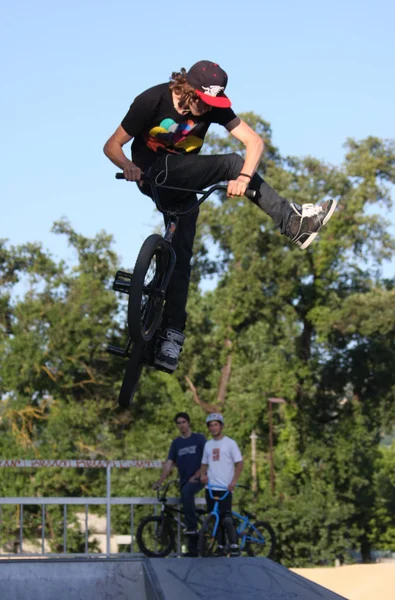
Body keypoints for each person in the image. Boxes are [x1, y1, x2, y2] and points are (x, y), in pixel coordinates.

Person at [104, 60, 337, 372]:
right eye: (204, 102)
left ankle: (169, 339)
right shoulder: (151, 100)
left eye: (214, 103)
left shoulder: (213, 107)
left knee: (180, 256)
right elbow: (112, 145)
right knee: (230, 162)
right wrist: (127, 165)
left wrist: (245, 178)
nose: (208, 109)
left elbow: (254, 141)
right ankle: (293, 222)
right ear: (189, 90)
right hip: (154, 174)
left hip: (184, 185)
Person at [153, 412, 206, 557]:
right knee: (185, 501)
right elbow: (169, 463)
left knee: (187, 494)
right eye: (179, 423)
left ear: (189, 423)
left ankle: (192, 527)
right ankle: (193, 549)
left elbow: (207, 459)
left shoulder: (199, 439)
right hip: (184, 480)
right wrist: (160, 481)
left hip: (199, 478)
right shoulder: (176, 443)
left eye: (183, 422)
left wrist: (197, 474)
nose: (181, 425)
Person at [200, 413, 243, 557]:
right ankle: (220, 545)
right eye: (210, 425)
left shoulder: (230, 443)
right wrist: (202, 475)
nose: (213, 428)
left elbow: (239, 463)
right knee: (214, 517)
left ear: (221, 426)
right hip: (211, 488)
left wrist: (234, 481)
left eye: (216, 424)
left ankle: (234, 545)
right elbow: (204, 464)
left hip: (225, 487)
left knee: (227, 518)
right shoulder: (208, 444)